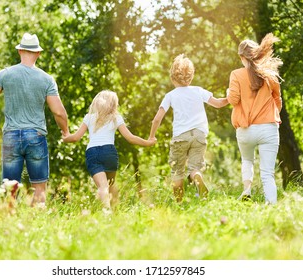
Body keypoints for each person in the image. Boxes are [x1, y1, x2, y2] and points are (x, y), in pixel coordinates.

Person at [0, 32, 69, 207]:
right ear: (38, 53)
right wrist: (65, 131)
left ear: (20, 51)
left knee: (10, 188)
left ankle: (10, 224)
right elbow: (58, 112)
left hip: (11, 136)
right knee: (40, 188)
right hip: (36, 136)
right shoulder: (47, 79)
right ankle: (37, 225)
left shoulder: (6, 74)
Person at [149, 54, 229, 203]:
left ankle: (179, 203)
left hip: (180, 137)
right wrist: (230, 97)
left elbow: (157, 119)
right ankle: (197, 176)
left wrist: (152, 136)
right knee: (194, 168)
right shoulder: (198, 91)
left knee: (177, 171)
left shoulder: (170, 95)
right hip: (199, 136)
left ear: (172, 77)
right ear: (191, 77)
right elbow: (218, 103)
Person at [63, 90, 155, 209]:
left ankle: (107, 213)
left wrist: (66, 138)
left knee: (102, 187)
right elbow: (130, 138)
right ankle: (114, 210)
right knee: (110, 185)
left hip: (92, 153)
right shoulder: (116, 118)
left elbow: (75, 138)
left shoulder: (89, 117)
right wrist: (147, 143)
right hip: (109, 153)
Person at [227, 33, 283, 204]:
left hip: (245, 129)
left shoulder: (236, 74)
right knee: (267, 173)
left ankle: (247, 190)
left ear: (241, 57)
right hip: (268, 128)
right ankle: (271, 205)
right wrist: (274, 116)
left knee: (247, 160)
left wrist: (228, 93)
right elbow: (277, 99)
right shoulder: (269, 74)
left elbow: (233, 100)